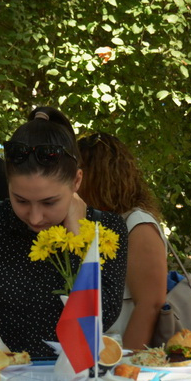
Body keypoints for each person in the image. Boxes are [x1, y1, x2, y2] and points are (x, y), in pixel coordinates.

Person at [0, 106, 128, 360]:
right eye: (20, 200)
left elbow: (101, 316)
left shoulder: (106, 229)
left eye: (49, 202)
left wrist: (78, 239)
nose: (34, 217)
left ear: (76, 181)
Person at [77, 132, 168, 350]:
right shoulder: (93, 220)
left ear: (96, 177)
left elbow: (150, 305)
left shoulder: (138, 225)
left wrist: (126, 363)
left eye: (77, 172)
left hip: (122, 361)